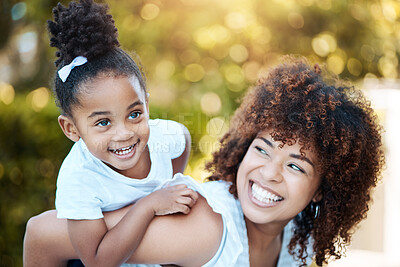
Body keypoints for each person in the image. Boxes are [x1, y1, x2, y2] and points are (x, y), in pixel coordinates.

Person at [24, 56, 384, 265]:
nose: (270, 173)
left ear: (322, 190)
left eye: (295, 165)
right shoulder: (205, 226)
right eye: (262, 149)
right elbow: (41, 234)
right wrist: (151, 202)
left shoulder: (297, 240)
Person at [25, 0, 199, 266]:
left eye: (134, 115)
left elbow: (183, 139)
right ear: (72, 129)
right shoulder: (79, 176)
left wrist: (173, 181)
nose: (124, 134)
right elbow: (97, 259)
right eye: (103, 123)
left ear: (147, 105)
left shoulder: (164, 136)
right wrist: (150, 204)